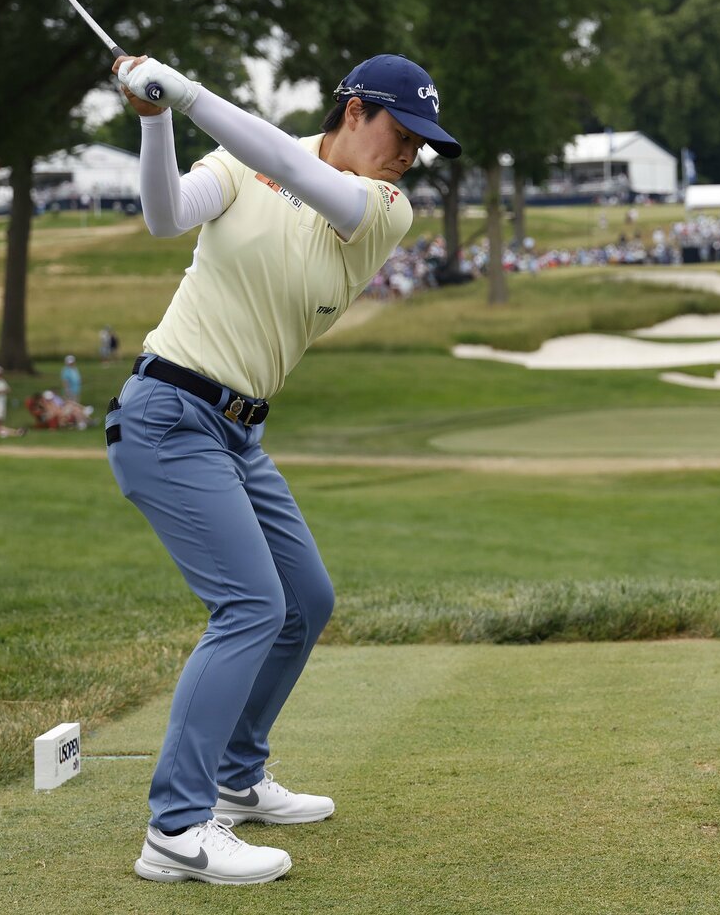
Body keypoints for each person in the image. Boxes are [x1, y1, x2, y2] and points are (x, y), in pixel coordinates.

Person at [106, 49, 459, 886]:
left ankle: (235, 776)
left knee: (305, 601)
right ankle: (177, 831)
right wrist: (156, 123)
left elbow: (292, 166)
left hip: (237, 433)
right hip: (168, 412)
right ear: (354, 111)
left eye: (420, 141)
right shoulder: (237, 163)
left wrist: (186, 93)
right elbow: (164, 215)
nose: (409, 152)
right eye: (400, 131)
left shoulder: (380, 207)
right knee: (250, 606)